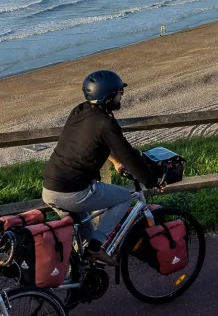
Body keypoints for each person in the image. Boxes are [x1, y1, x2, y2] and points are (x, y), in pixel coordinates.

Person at [41, 70, 162, 252]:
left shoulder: (80, 111)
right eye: (119, 92)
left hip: (51, 188)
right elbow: (127, 155)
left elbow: (96, 144)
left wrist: (114, 161)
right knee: (123, 198)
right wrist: (151, 181)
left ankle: (80, 270)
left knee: (85, 230)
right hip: (73, 192)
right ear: (108, 95)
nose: (121, 95)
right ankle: (97, 249)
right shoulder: (105, 123)